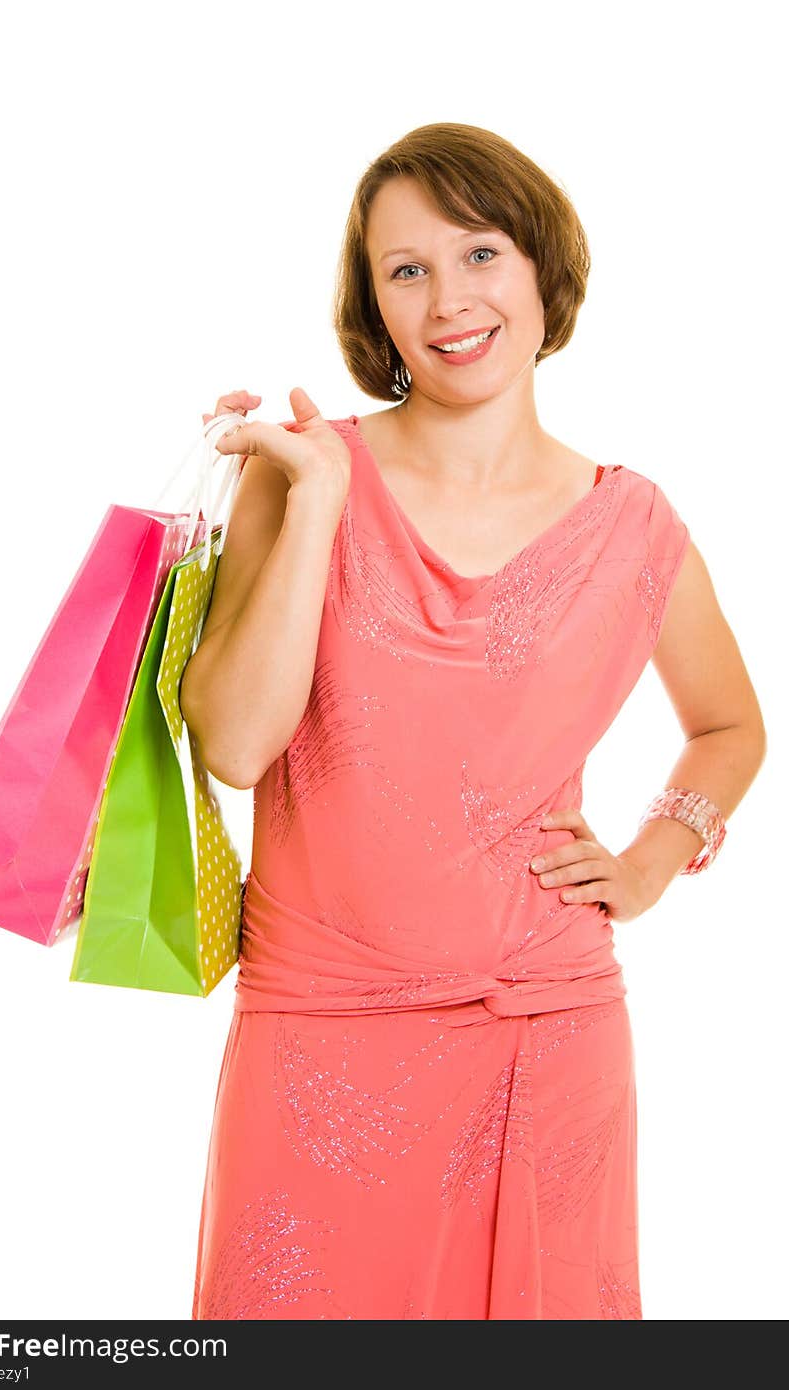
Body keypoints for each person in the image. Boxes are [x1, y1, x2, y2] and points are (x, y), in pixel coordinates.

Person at [179, 122, 766, 1320]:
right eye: (406, 269)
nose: (450, 298)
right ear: (375, 310)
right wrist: (319, 504)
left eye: (480, 252)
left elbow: (728, 725)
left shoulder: (634, 526)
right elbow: (236, 744)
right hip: (318, 1034)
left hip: (545, 1038)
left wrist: (653, 860)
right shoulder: (300, 475)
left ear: (542, 270)